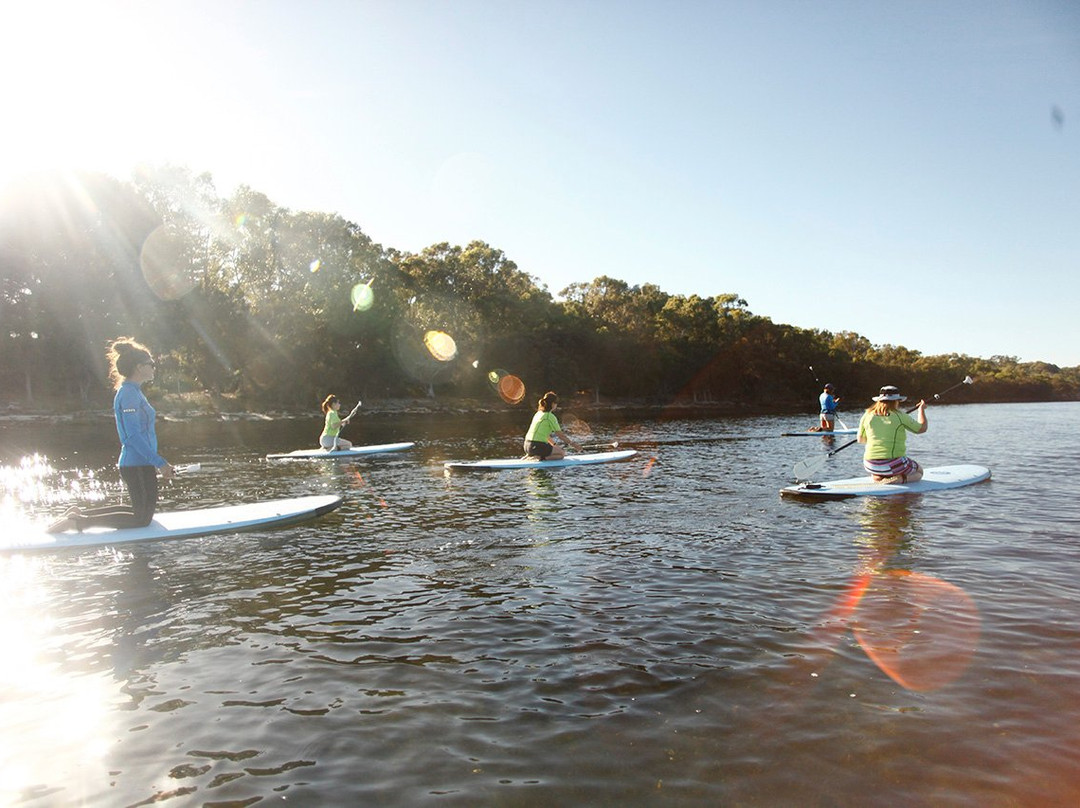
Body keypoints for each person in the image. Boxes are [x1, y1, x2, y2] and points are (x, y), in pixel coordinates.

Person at [47, 338, 173, 532]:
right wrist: (159, 463)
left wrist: (156, 462)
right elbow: (132, 435)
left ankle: (78, 514)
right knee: (142, 519)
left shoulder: (134, 391)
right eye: (151, 364)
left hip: (140, 462)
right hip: (136, 464)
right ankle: (78, 523)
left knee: (140, 512)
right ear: (139, 367)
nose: (154, 368)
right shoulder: (129, 394)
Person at [857, 385, 927, 484]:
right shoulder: (900, 416)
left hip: (870, 465)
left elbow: (861, 440)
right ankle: (900, 479)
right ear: (896, 401)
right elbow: (922, 428)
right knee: (919, 472)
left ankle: (879, 477)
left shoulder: (867, 415)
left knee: (881, 471)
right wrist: (921, 410)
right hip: (892, 465)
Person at [522, 391, 582, 461]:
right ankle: (540, 458)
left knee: (555, 449)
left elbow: (545, 435)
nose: (556, 405)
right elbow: (560, 435)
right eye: (556, 403)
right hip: (536, 446)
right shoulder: (550, 416)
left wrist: (554, 444)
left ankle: (531, 455)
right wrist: (574, 445)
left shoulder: (538, 414)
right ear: (553, 404)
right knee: (561, 454)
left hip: (527, 446)